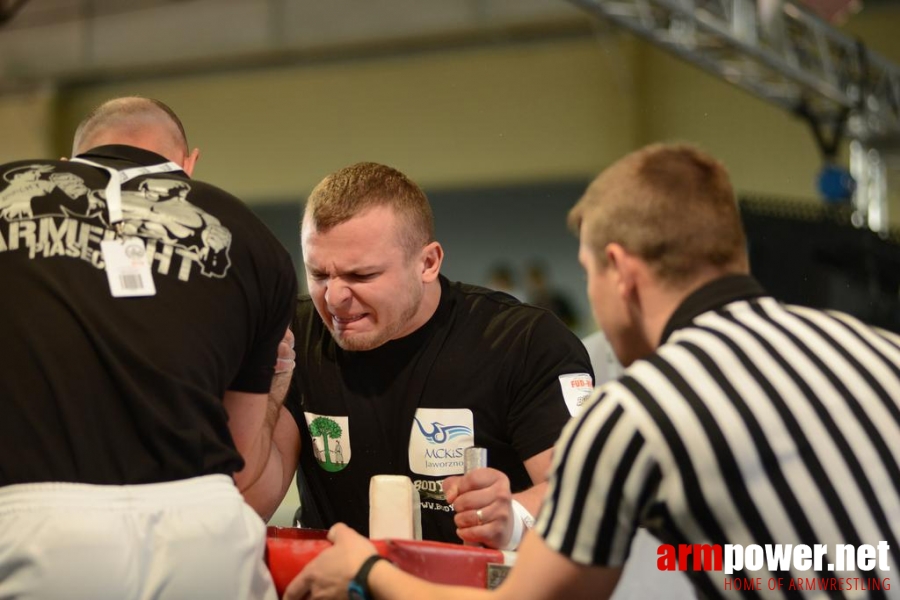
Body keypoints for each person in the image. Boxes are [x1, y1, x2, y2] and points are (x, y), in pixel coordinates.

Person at [285, 143, 900, 600]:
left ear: (618, 269)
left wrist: (368, 572)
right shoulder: (883, 355)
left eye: (586, 271)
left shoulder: (643, 410)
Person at [0, 97, 297, 599]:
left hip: (37, 527)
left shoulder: (10, 188)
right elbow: (243, 458)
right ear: (188, 166)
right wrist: (274, 394)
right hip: (203, 530)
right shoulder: (252, 236)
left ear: (69, 163)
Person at [254, 162, 594, 551]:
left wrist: (514, 516)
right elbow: (251, 505)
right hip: (337, 585)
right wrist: (268, 383)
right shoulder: (292, 339)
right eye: (318, 275)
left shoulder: (523, 342)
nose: (334, 299)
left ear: (428, 263)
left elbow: (583, 495)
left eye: (361, 276)